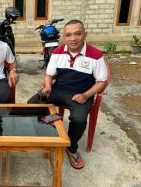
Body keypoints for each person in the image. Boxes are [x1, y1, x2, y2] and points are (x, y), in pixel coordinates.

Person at [28, 19, 108, 169]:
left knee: (78, 119)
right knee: (31, 104)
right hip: (58, 90)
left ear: (85, 35)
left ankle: (71, 148)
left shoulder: (95, 55)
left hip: (81, 93)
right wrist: (47, 86)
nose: (73, 38)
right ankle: (51, 128)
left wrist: (86, 95)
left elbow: (102, 81)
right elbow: (49, 74)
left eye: (77, 34)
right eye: (68, 35)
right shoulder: (58, 52)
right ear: (64, 37)